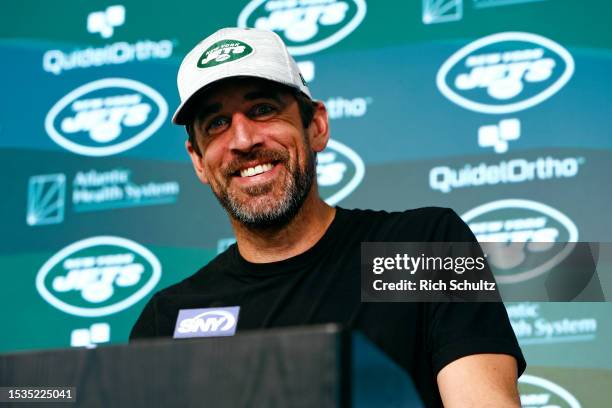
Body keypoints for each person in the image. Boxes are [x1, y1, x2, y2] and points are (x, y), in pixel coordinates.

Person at [130, 27, 526, 407]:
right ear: (198, 161)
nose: (243, 140)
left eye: (263, 109)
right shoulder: (167, 320)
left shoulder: (421, 249)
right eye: (216, 123)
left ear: (316, 126)